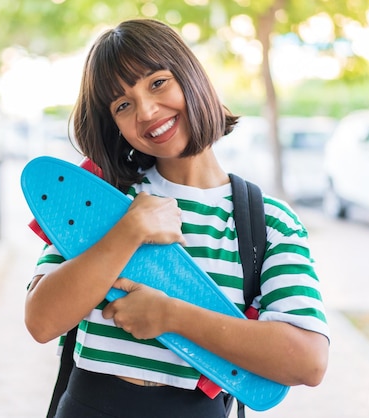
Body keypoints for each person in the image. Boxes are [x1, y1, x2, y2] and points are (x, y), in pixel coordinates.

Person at [25, 18, 330, 418]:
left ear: (191, 77)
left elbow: (308, 361)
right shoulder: (101, 198)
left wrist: (170, 315)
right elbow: (41, 321)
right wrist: (129, 231)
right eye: (123, 105)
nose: (147, 111)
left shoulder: (269, 223)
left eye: (157, 82)